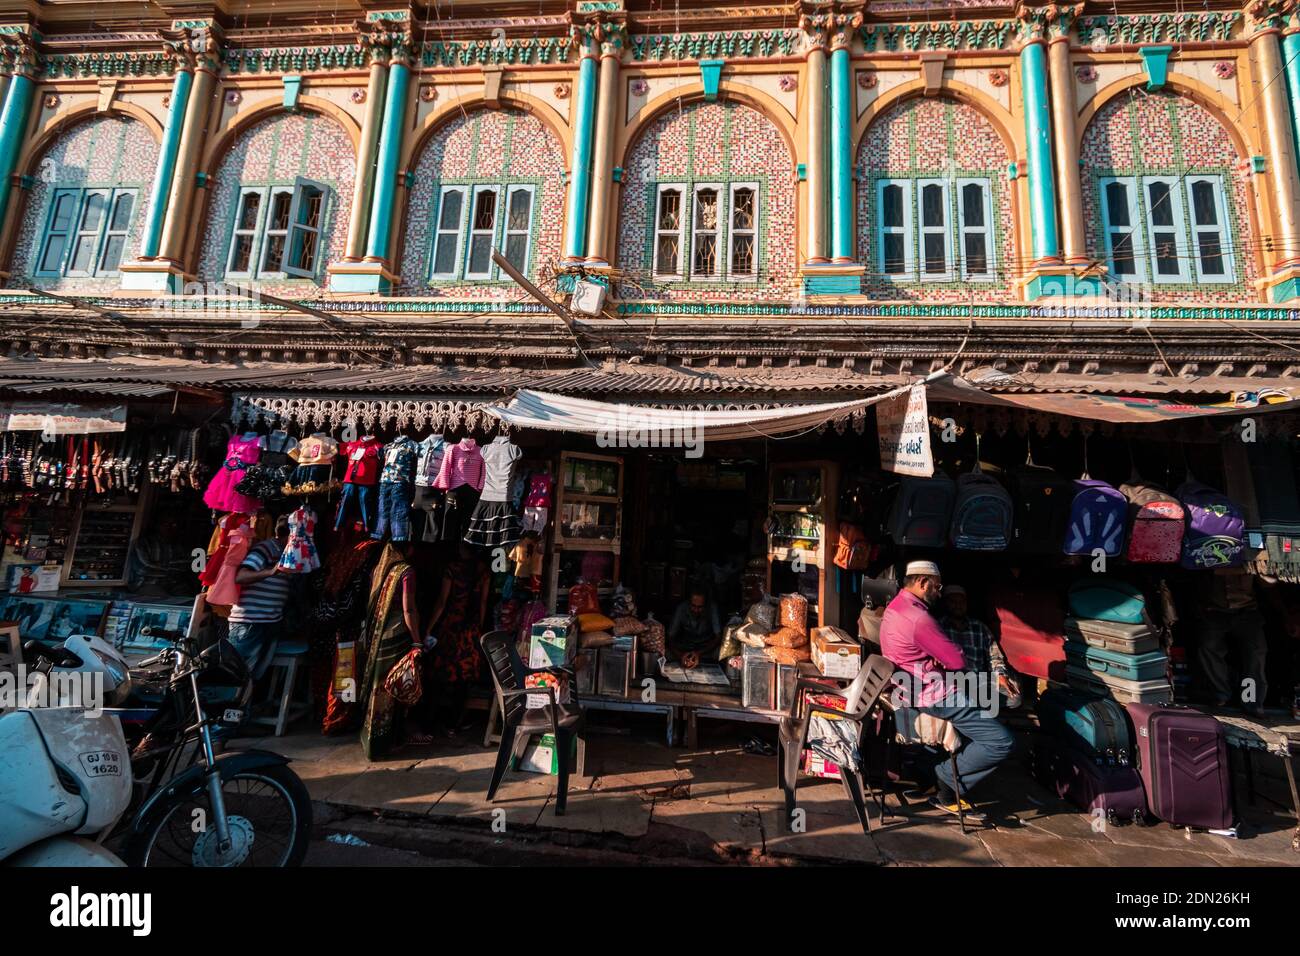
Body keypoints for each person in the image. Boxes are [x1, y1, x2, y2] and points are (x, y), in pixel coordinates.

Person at [879, 561, 1013, 817]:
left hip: (911, 688)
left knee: (985, 702)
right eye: (937, 587)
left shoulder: (895, 607)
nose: (939, 593)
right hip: (935, 694)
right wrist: (942, 656)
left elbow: (918, 653)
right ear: (922, 582)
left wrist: (931, 657)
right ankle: (946, 779)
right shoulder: (919, 617)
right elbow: (956, 660)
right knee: (1001, 742)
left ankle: (936, 775)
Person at [359, 541, 427, 759]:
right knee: (396, 686)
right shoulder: (406, 572)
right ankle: (392, 740)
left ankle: (373, 739)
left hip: (378, 636)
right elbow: (409, 609)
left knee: (378, 688)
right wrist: (417, 641)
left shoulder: (380, 570)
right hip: (397, 635)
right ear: (407, 548)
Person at [427, 541, 491, 734]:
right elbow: (483, 603)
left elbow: (441, 603)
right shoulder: (483, 571)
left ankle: (432, 722)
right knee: (463, 678)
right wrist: (479, 627)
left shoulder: (452, 569)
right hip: (470, 631)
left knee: (441, 675)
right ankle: (453, 723)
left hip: (451, 627)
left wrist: (429, 629)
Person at [1196, 566, 1269, 718]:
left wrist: (1260, 571)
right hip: (1215, 610)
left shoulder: (1251, 556)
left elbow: (1268, 582)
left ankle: (1252, 701)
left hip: (1247, 611)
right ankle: (1221, 694)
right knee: (1208, 647)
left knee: (1255, 655)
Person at [228, 516, 293, 680]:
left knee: (255, 675)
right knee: (237, 676)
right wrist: (271, 572)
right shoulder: (266, 548)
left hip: (269, 622)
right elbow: (241, 576)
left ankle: (246, 705)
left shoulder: (288, 553)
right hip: (249, 622)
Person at [668, 586, 721, 662]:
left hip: (705, 648)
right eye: (693, 606)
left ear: (706, 604)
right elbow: (670, 637)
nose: (696, 610)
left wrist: (698, 653)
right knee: (667, 653)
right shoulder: (681, 608)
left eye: (700, 607)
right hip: (685, 646)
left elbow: (718, 637)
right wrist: (680, 655)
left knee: (719, 653)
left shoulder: (712, 608)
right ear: (689, 602)